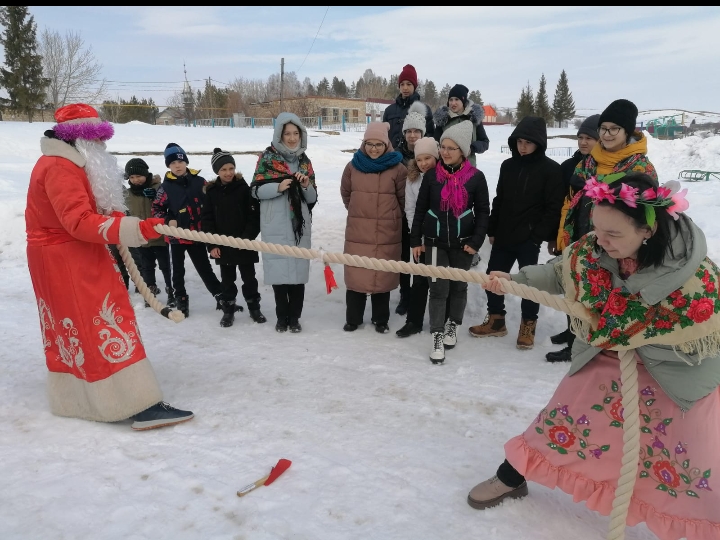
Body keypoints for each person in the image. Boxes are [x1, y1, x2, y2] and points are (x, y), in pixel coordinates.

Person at [466, 173, 720, 540]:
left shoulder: (696, 277)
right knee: (562, 418)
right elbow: (561, 274)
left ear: (647, 230)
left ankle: (707, 524)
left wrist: (637, 331)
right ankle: (513, 475)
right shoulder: (593, 249)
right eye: (597, 229)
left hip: (675, 372)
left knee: (692, 454)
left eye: (613, 233)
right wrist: (516, 280)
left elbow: (703, 329)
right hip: (607, 355)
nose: (600, 240)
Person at [25, 103, 193, 430]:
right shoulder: (60, 166)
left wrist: (123, 220)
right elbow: (77, 221)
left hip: (70, 254)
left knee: (85, 323)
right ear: (82, 139)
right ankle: (135, 402)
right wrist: (135, 228)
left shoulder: (68, 162)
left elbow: (84, 210)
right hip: (66, 257)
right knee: (103, 318)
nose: (102, 146)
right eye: (97, 139)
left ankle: (87, 397)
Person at [468, 116, 564, 350]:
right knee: (492, 277)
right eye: (519, 141)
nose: (523, 147)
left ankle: (528, 325)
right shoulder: (508, 166)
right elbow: (499, 199)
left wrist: (537, 236)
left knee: (530, 283)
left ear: (539, 143)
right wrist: (492, 228)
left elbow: (553, 208)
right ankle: (496, 320)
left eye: (528, 142)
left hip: (529, 239)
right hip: (504, 234)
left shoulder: (551, 170)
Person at [411, 120, 490, 363]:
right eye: (442, 147)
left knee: (458, 287)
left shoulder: (476, 178)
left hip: (463, 244)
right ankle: (437, 335)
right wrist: (416, 240)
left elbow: (483, 212)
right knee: (437, 289)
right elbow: (420, 210)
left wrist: (476, 241)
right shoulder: (432, 176)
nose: (444, 152)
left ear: (463, 151)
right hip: (434, 243)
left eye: (450, 148)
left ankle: (452, 324)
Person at [250, 112, 317, 333]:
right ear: (279, 134)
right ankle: (281, 317)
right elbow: (255, 191)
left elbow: (312, 198)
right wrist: (277, 187)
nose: (291, 138)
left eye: (295, 133)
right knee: (279, 274)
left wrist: (306, 185)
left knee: (298, 274)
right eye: (287, 133)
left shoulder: (305, 162)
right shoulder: (267, 159)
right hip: (275, 223)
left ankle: (295, 318)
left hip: (299, 226)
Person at [341, 122, 407, 334]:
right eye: (369, 144)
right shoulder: (353, 166)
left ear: (386, 144)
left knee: (382, 275)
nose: (374, 149)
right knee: (356, 273)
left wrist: (391, 216)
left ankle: (380, 319)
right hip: (359, 229)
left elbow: (403, 199)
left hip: (386, 231)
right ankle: (353, 318)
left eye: (378, 144)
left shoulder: (398, 168)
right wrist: (359, 212)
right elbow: (346, 194)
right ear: (363, 144)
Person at [545, 114, 600, 362]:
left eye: (589, 138)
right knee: (570, 288)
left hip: (594, 238)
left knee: (585, 293)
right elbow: (561, 204)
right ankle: (571, 331)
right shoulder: (570, 167)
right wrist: (556, 238)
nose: (583, 142)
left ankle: (579, 343)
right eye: (580, 137)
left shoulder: (604, 169)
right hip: (572, 235)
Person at [152, 142, 223, 318]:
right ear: (168, 166)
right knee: (178, 271)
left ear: (186, 162)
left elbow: (212, 200)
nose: (177, 165)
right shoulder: (165, 187)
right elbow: (156, 208)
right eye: (173, 163)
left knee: (204, 268)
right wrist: (167, 220)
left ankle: (220, 296)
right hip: (176, 237)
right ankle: (181, 299)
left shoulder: (199, 182)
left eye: (180, 162)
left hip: (197, 234)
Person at [202, 148, 265, 328]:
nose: (228, 173)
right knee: (227, 281)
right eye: (223, 169)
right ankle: (228, 310)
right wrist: (211, 245)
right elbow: (206, 221)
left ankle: (254, 308)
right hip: (223, 246)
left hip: (244, 244)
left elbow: (254, 217)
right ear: (217, 171)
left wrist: (246, 239)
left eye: (231, 168)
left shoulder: (244, 189)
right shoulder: (211, 192)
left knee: (249, 279)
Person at [396, 137, 439, 338]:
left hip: (441, 238)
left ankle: (441, 322)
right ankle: (414, 321)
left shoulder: (443, 176)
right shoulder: (412, 179)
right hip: (422, 238)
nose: (423, 163)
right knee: (419, 280)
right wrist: (418, 240)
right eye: (419, 159)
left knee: (440, 282)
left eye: (428, 158)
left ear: (436, 157)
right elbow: (411, 210)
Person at [123, 158, 173, 308]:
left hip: (159, 236)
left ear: (146, 174)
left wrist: (155, 196)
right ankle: (150, 291)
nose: (136, 180)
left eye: (139, 176)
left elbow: (168, 205)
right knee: (147, 266)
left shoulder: (158, 188)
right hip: (141, 237)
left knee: (165, 265)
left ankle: (171, 290)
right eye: (132, 177)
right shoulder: (128, 194)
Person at [395, 101, 429, 316]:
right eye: (409, 131)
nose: (412, 135)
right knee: (403, 259)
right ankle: (404, 295)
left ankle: (417, 296)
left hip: (420, 216)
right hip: (400, 213)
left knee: (419, 258)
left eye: (417, 131)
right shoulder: (396, 155)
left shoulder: (427, 155)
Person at [432, 83, 490, 167]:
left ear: (463, 100)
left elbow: (485, 142)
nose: (453, 103)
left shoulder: (474, 119)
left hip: (468, 166)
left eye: (456, 99)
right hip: (447, 167)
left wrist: (471, 148)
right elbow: (436, 143)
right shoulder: (443, 119)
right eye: (451, 100)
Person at [382, 64, 434, 151]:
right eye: (402, 84)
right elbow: (383, 136)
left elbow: (430, 135)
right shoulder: (389, 110)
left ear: (414, 86)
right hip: (392, 155)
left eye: (409, 84)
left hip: (416, 156)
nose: (405, 88)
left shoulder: (425, 109)